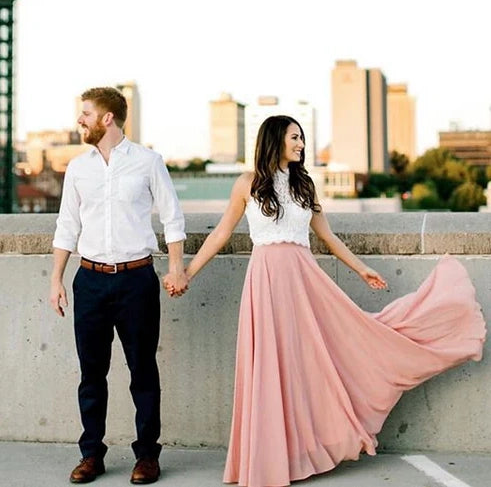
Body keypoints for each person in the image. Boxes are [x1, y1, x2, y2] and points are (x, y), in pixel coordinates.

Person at [164, 115, 486, 487]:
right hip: (265, 281)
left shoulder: (305, 185)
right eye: (295, 138)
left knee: (316, 359)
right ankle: (271, 458)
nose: (301, 144)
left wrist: (361, 269)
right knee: (271, 365)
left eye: (302, 138)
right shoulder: (247, 184)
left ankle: (304, 450)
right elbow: (220, 234)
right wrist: (187, 272)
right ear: (275, 140)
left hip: (304, 280)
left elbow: (328, 237)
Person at [50, 87, 188, 485]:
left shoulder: (148, 162)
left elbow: (173, 220)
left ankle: (147, 456)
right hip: (89, 281)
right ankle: (91, 454)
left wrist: (176, 269)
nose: (80, 120)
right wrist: (57, 279)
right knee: (91, 373)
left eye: (86, 114)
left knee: (143, 370)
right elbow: (67, 226)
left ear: (107, 118)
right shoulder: (78, 168)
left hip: (136, 280)